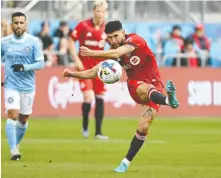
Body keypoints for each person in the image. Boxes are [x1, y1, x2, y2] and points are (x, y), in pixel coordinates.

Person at [63, 20, 179, 172]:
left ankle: (125, 163)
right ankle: (167, 100)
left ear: (123, 32)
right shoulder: (112, 51)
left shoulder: (135, 40)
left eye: (115, 36)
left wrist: (92, 52)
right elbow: (93, 72)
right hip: (135, 86)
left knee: (143, 127)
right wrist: (73, 74)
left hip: (156, 86)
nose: (113, 40)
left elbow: (118, 52)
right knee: (145, 87)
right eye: (109, 38)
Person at [1, 12, 45, 160]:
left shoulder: (33, 42)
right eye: (16, 23)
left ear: (26, 24)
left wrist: (24, 67)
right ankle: (14, 150)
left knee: (23, 119)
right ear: (12, 25)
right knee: (12, 114)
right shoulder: (4, 42)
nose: (18, 25)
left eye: (21, 23)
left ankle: (16, 144)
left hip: (28, 86)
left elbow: (41, 63)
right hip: (11, 85)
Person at [68, 0, 108, 139]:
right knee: (89, 97)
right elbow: (70, 41)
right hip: (84, 66)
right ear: (93, 11)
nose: (100, 14)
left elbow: (115, 45)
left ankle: (98, 132)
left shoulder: (107, 29)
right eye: (98, 11)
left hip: (100, 68)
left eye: (102, 11)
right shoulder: (83, 25)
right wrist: (77, 60)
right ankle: (85, 127)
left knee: (100, 97)